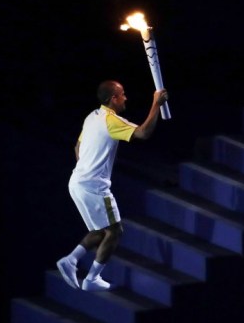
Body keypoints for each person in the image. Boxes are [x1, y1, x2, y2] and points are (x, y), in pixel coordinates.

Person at [56, 80, 168, 292]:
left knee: (100, 230)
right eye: (122, 94)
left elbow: (77, 148)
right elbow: (143, 133)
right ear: (113, 99)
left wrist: (87, 168)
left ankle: (70, 260)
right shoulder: (111, 121)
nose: (126, 98)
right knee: (115, 231)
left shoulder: (92, 117)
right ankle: (92, 279)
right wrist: (156, 104)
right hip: (94, 186)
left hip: (76, 182)